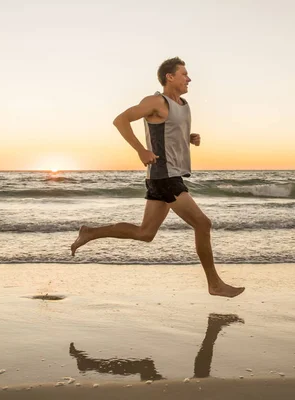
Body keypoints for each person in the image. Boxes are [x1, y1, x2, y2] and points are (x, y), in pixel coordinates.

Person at [71, 57, 244, 298]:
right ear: (169, 77)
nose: (189, 78)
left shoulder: (183, 105)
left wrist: (188, 137)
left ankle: (90, 232)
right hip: (164, 176)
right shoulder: (155, 101)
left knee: (145, 233)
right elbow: (120, 120)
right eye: (184, 74)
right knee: (203, 224)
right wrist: (140, 150)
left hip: (169, 175)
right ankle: (214, 284)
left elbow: (168, 133)